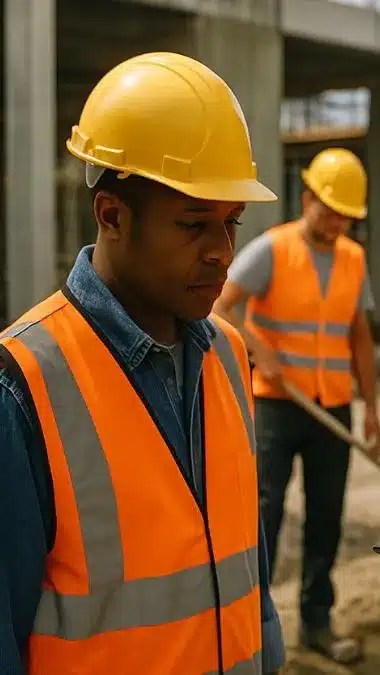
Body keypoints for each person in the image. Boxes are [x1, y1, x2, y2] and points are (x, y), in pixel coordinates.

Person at [0, 52, 285, 674]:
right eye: (193, 225)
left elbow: (248, 573)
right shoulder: (24, 383)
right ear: (112, 216)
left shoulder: (230, 357)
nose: (223, 253)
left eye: (232, 224)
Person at [213, 146, 380, 665]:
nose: (336, 223)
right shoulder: (271, 249)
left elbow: (359, 336)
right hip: (277, 408)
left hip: (332, 408)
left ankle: (316, 622)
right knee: (263, 514)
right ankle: (250, 624)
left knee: (326, 518)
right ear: (307, 197)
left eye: (345, 216)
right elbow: (220, 306)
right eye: (329, 210)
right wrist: (259, 352)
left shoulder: (353, 258)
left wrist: (371, 408)